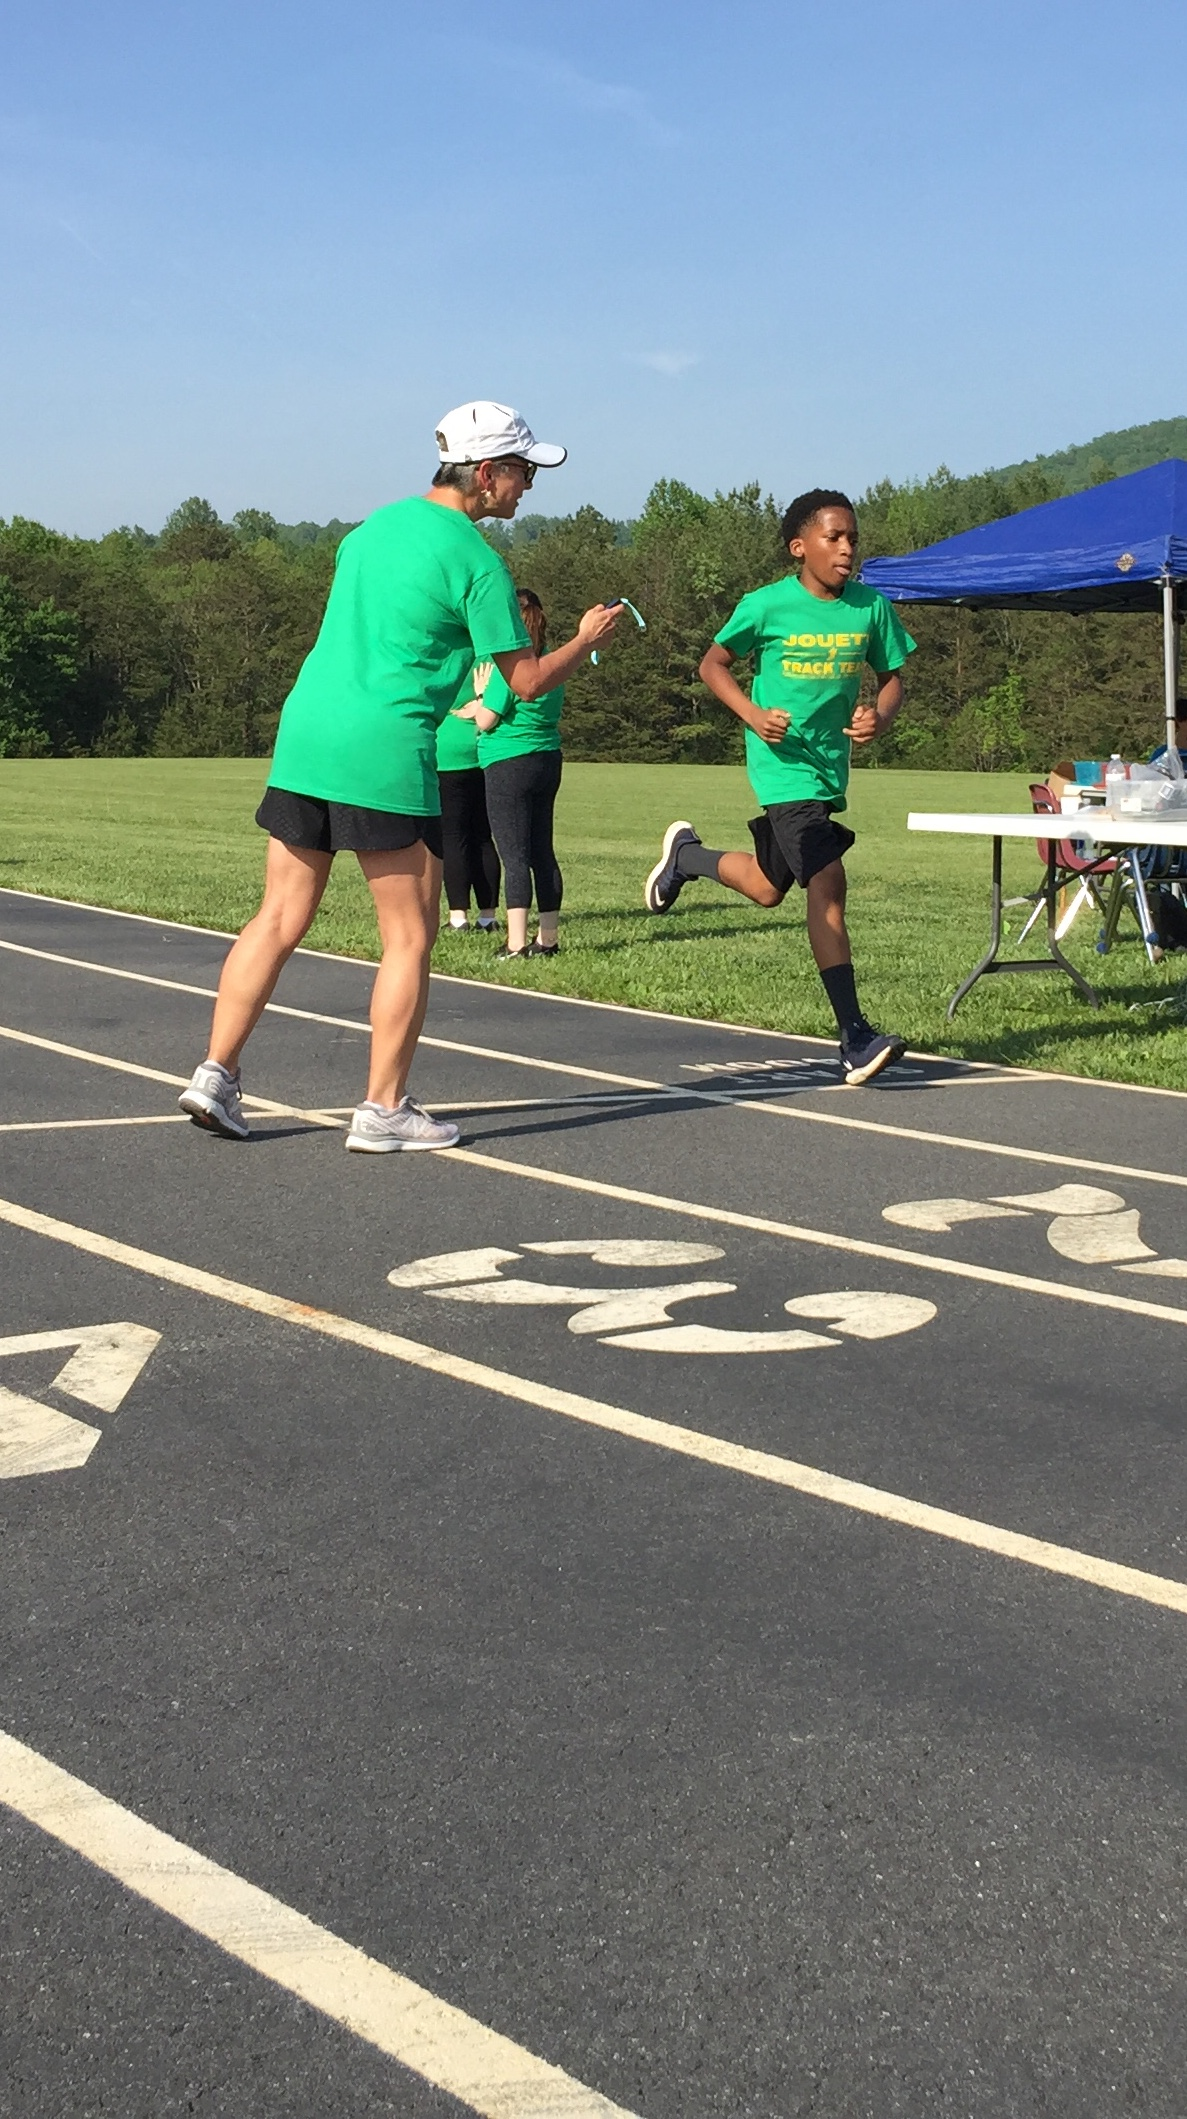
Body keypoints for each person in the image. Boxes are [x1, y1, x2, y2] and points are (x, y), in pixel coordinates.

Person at [178, 401, 622, 1150]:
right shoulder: (478, 560)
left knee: (278, 916)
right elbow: (524, 681)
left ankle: (214, 1074)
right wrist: (582, 640)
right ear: (485, 475)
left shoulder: (369, 529)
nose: (527, 488)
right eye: (520, 472)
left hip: (307, 733)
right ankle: (383, 1109)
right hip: (385, 745)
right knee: (410, 935)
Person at [643, 488, 915, 1084]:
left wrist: (881, 714)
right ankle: (854, 1036)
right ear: (800, 547)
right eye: (833, 538)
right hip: (781, 767)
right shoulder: (765, 606)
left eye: (853, 538)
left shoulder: (870, 608)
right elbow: (712, 664)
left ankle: (686, 857)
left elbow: (893, 676)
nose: (847, 549)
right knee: (828, 878)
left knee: (769, 888)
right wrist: (752, 714)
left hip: (826, 771)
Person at [454, 589, 565, 959]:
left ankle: (516, 942)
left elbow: (487, 721)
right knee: (542, 852)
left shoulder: (508, 667)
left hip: (508, 762)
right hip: (547, 758)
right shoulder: (550, 664)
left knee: (514, 855)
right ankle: (547, 938)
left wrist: (481, 699)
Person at [435, 698, 501, 934]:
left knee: (453, 837)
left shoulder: (445, 662)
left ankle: (458, 917)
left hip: (448, 752)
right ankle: (487, 917)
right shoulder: (491, 661)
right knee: (483, 836)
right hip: (483, 750)